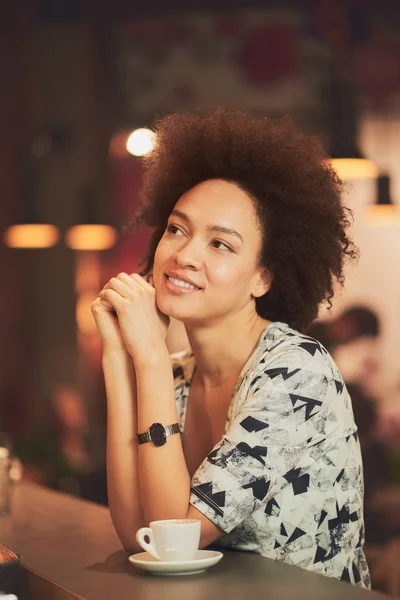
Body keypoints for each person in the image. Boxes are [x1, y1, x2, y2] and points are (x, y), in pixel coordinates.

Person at [91, 108, 370, 587]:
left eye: (221, 245)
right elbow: (136, 534)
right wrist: (120, 358)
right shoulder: (178, 374)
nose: (184, 255)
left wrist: (151, 359)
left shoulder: (296, 372)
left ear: (263, 277)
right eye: (177, 229)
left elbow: (171, 536)